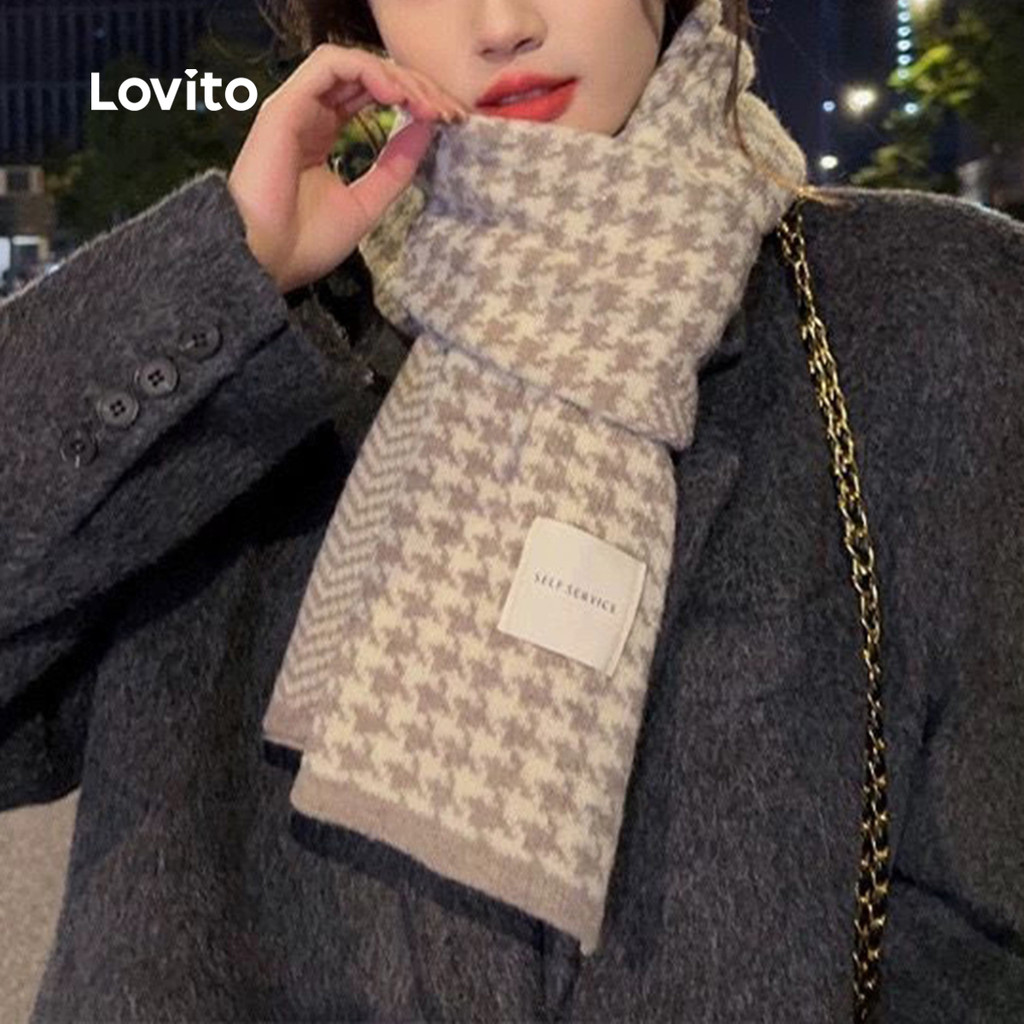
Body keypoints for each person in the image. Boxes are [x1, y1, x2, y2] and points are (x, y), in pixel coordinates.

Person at [0, 0, 1021, 1021]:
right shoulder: (271, 336)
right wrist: (220, 278)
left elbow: (987, 916)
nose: (500, 23)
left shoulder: (927, 314)